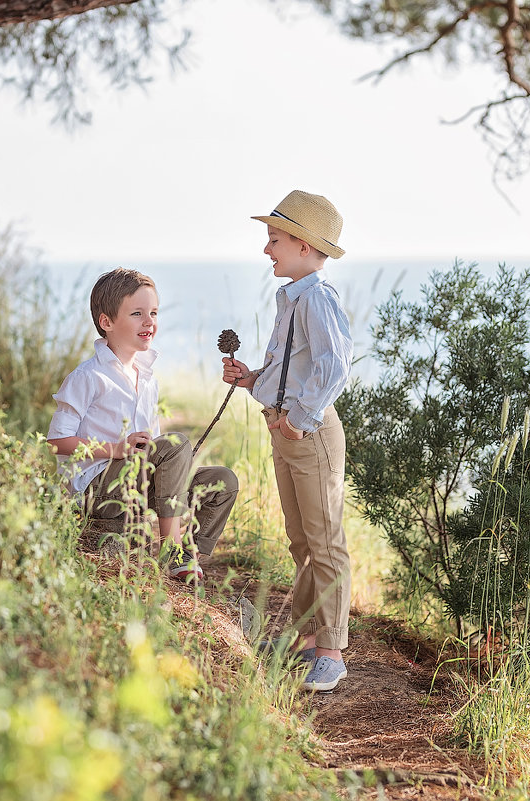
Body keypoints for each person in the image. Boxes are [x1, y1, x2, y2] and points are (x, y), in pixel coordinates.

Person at [222, 190, 353, 692]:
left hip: (310, 434)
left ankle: (331, 651)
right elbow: (295, 371)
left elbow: (334, 366)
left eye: (273, 240)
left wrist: (300, 417)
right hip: (288, 428)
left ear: (302, 245)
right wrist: (252, 378)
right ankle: (302, 637)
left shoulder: (316, 297)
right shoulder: (292, 297)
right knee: (301, 541)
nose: (266, 250)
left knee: (325, 544)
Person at [48, 267, 238, 582]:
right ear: (106, 323)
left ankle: (187, 557)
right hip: (98, 492)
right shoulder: (87, 377)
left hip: (135, 487)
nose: (149, 321)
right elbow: (56, 442)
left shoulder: (148, 379)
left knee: (223, 481)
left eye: (153, 312)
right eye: (137, 313)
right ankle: (171, 551)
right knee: (176, 445)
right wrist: (116, 450)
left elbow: (161, 456)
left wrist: (173, 461)